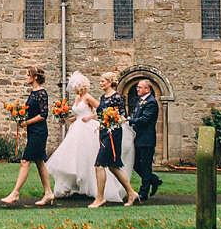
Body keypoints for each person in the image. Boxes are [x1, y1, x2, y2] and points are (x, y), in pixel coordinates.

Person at [47, 71, 133, 201]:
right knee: (84, 159)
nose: (73, 89)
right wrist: (67, 119)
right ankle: (85, 188)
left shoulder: (91, 97)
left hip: (99, 130)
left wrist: (90, 117)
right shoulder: (89, 98)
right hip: (82, 128)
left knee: (101, 163)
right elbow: (96, 112)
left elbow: (102, 111)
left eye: (103, 81)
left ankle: (103, 195)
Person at [1, 66, 55, 206]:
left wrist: (27, 123)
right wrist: (19, 116)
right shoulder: (33, 93)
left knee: (25, 161)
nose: (26, 77)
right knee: (39, 161)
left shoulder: (42, 93)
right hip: (33, 131)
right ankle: (48, 193)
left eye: (28, 74)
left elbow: (43, 115)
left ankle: (15, 193)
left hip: (39, 132)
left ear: (35, 77)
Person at [88, 72, 141, 208]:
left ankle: (100, 198)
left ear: (110, 82)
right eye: (100, 81)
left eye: (103, 81)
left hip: (113, 134)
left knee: (99, 164)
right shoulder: (102, 97)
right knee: (113, 166)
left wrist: (112, 121)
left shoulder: (117, 97)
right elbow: (100, 114)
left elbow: (123, 116)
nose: (101, 84)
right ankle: (131, 192)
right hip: (104, 132)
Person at [128, 79, 162, 201]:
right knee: (135, 163)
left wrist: (129, 121)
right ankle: (154, 180)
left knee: (146, 166)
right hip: (138, 138)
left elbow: (145, 119)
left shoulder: (151, 102)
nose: (137, 89)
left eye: (140, 87)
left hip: (146, 139)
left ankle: (144, 192)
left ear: (147, 89)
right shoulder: (141, 101)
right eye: (137, 87)